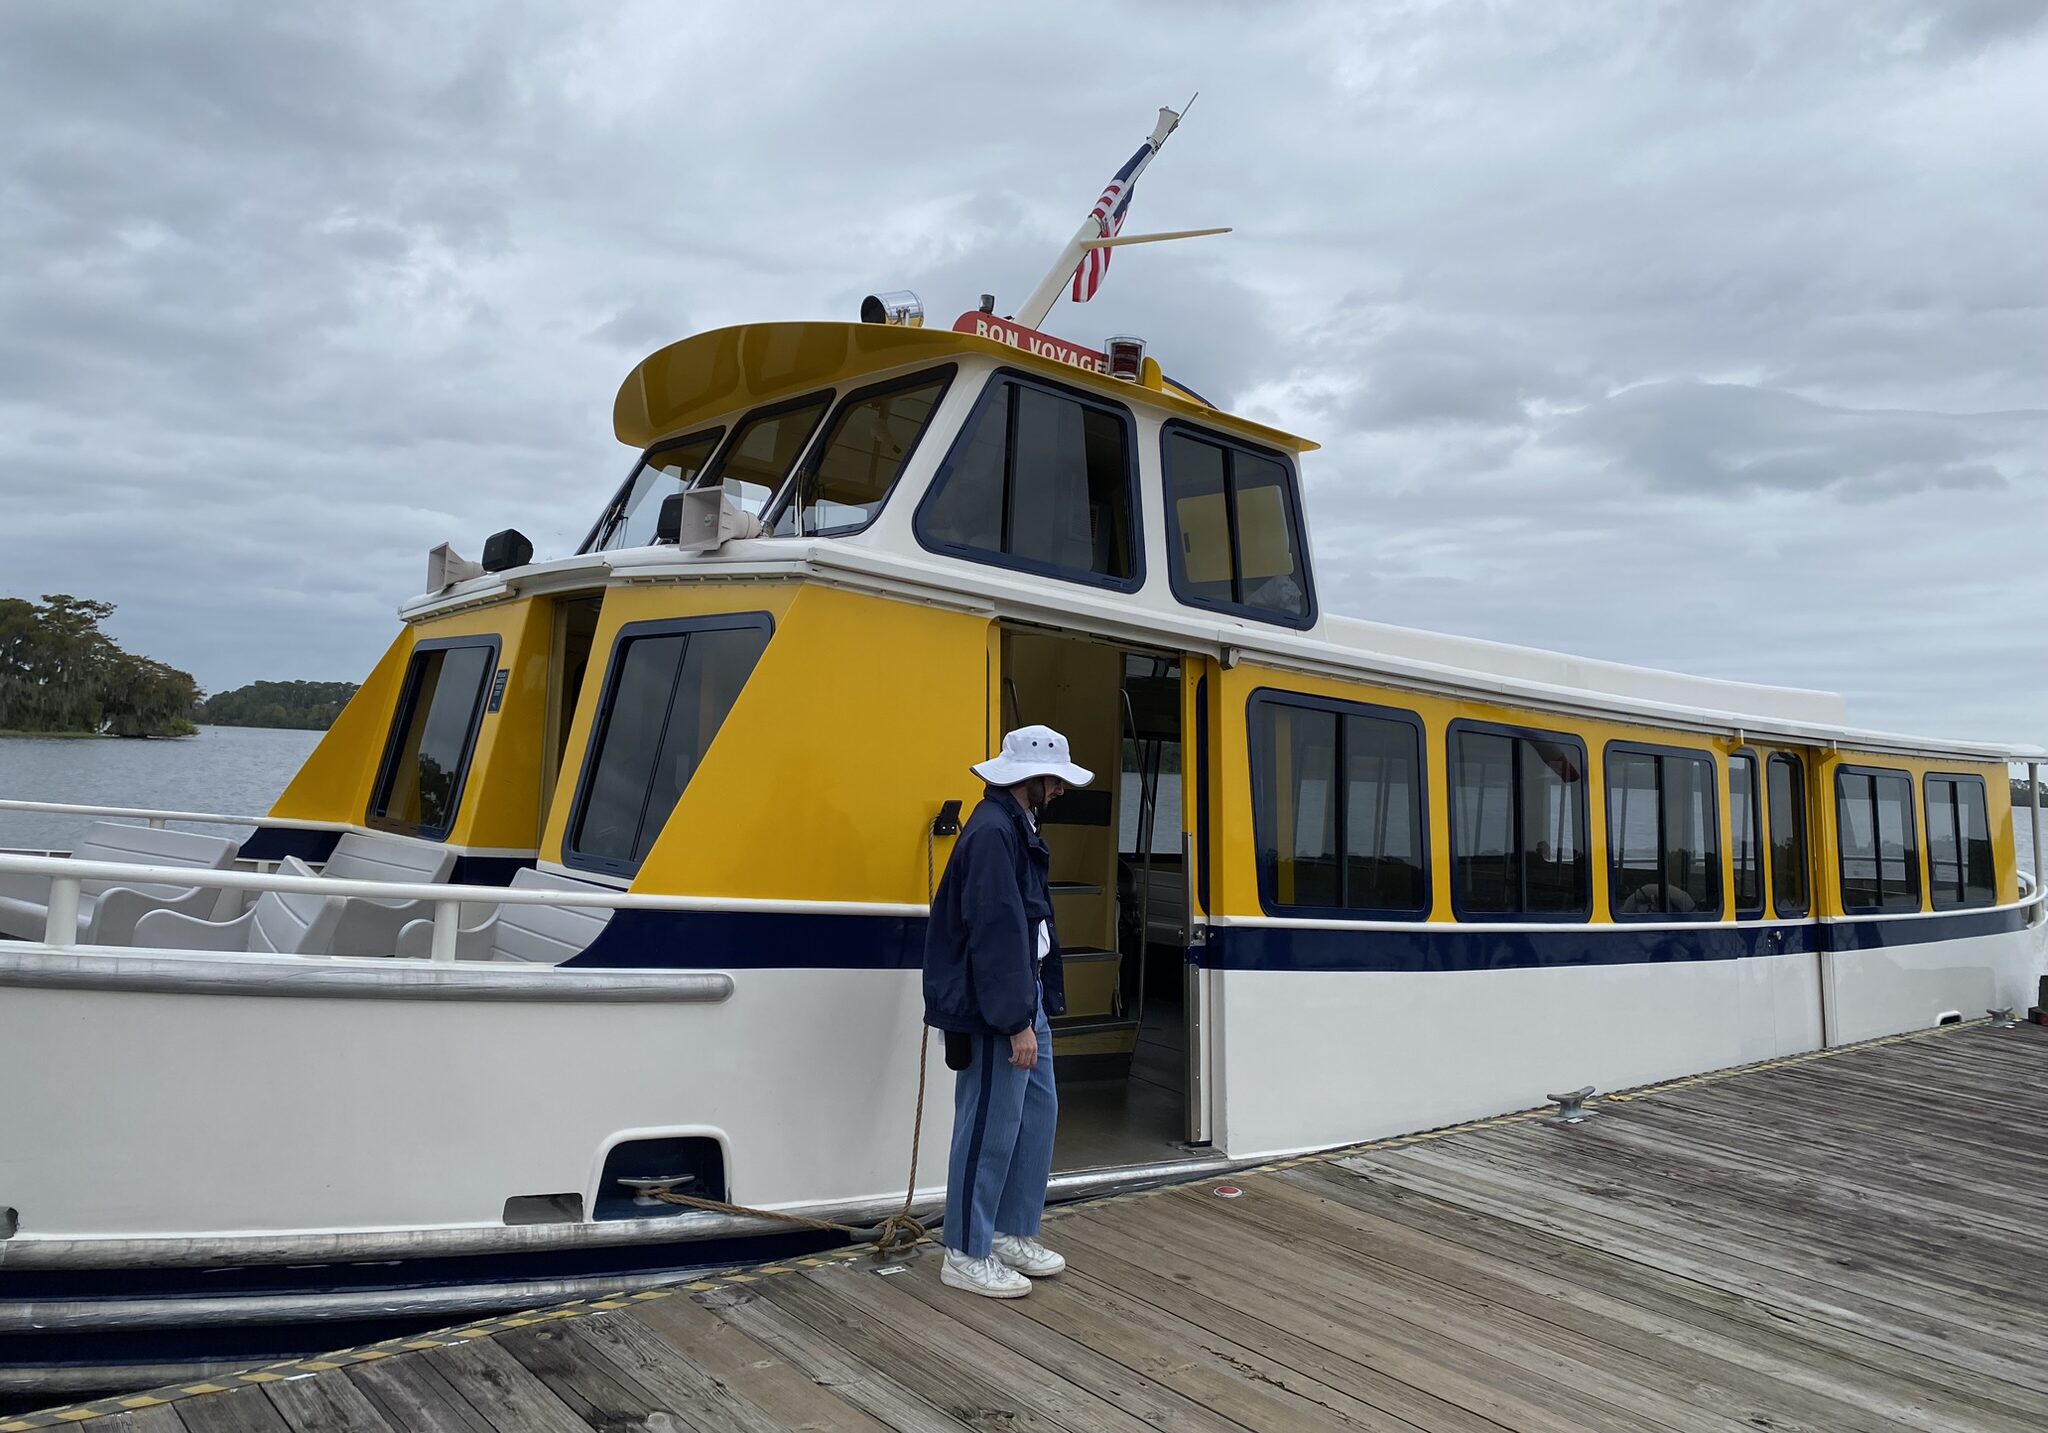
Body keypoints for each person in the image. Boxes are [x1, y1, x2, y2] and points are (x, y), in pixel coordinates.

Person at [922, 724, 1093, 1299]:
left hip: (1024, 994)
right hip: (999, 1006)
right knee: (989, 1127)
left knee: (1035, 1115)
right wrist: (1015, 1020)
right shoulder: (995, 834)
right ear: (1032, 779)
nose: (1063, 790)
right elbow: (994, 933)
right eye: (1058, 780)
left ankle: (1009, 1232)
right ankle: (966, 1250)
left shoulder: (1013, 825)